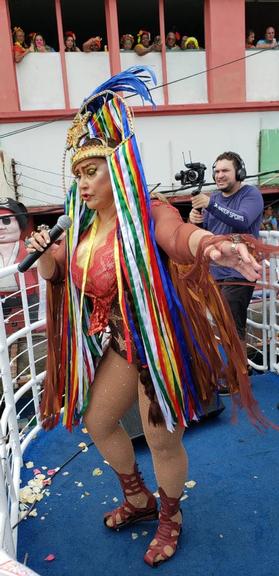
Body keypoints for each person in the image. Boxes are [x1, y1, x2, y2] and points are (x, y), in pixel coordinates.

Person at [25, 68, 274, 567]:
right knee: (97, 420)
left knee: (161, 434)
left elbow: (180, 237)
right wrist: (47, 253)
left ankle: (170, 517)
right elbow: (59, 278)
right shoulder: (81, 226)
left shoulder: (147, 210)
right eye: (77, 175)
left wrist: (216, 246)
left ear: (114, 171)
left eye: (90, 171)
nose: (83, 183)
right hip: (117, 340)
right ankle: (138, 499)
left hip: (160, 337)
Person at [189, 151, 264, 386]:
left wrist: (210, 204)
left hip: (241, 271)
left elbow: (242, 220)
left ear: (239, 172)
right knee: (223, 325)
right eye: (217, 171)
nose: (219, 175)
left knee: (232, 324)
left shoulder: (251, 194)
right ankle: (237, 371)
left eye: (225, 171)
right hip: (216, 271)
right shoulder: (214, 198)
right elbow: (209, 232)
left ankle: (238, 378)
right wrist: (195, 221)